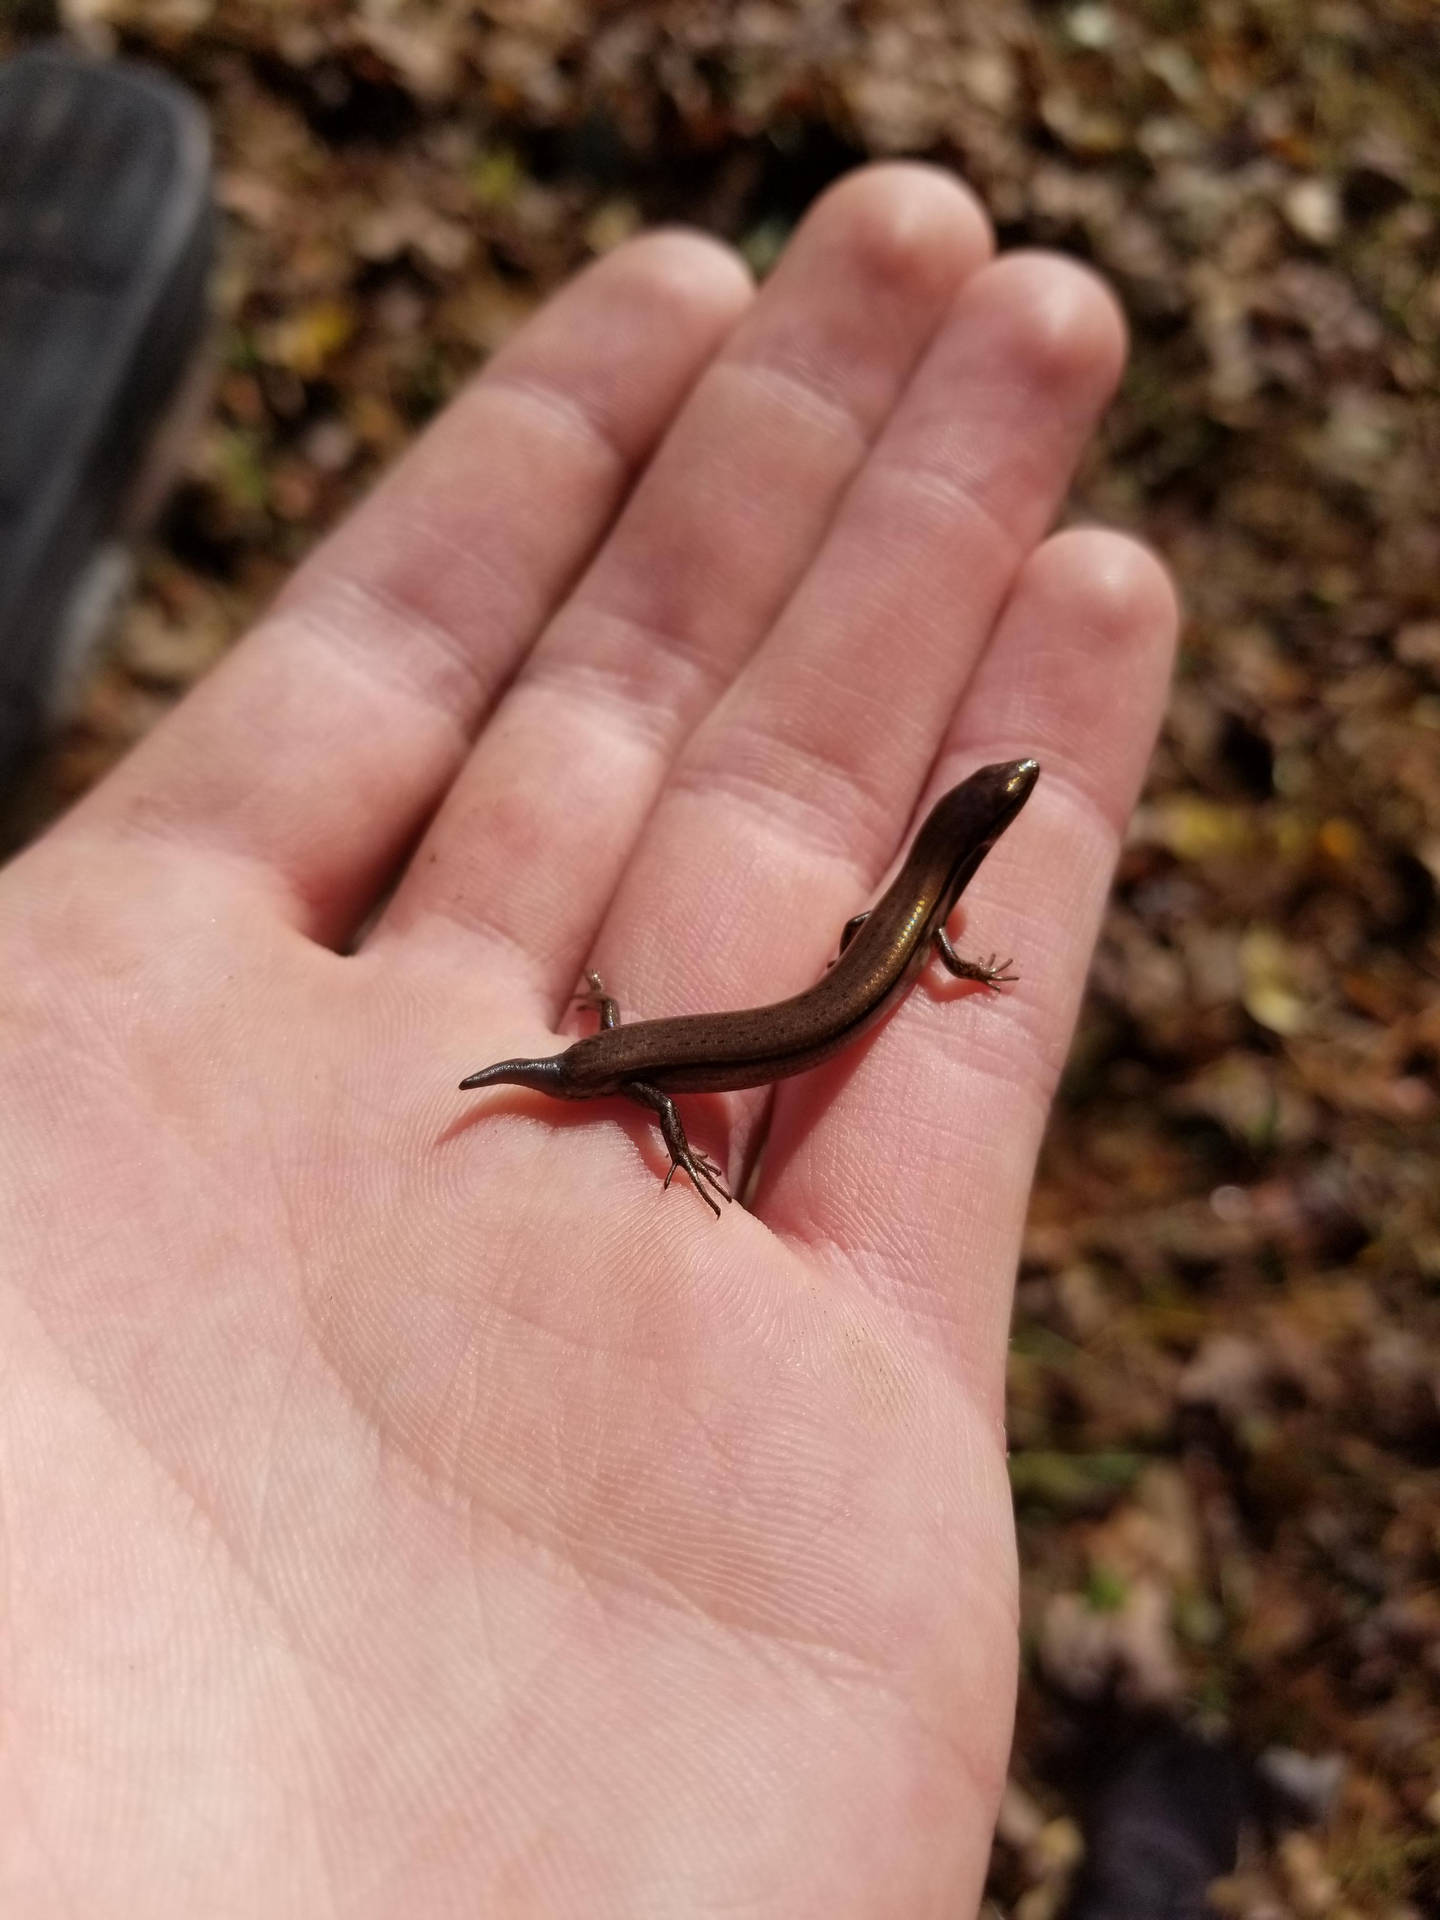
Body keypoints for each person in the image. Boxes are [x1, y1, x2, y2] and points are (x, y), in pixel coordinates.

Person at [0, 163, 1176, 1913]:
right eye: (993, 795)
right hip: (696, 1054)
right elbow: (897, 955)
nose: (992, 797)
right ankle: (641, 1101)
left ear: (960, 838)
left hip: (708, 1040)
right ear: (975, 840)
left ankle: (626, 1081)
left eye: (986, 800)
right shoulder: (922, 921)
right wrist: (698, 1101)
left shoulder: (906, 907)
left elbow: (884, 944)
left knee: (624, 1068)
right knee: (622, 1082)